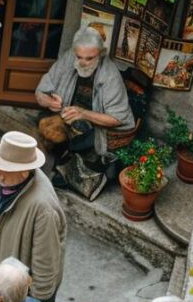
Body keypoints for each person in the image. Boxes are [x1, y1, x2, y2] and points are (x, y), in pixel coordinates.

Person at [35, 25, 135, 200]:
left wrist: (83, 113)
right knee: (44, 123)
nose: (83, 62)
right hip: (67, 116)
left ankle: (68, 171)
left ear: (100, 54)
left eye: (89, 58)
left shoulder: (109, 75)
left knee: (79, 134)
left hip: (96, 126)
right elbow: (40, 92)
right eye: (79, 56)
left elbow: (118, 119)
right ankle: (51, 171)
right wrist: (50, 102)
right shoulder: (68, 59)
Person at [0, 132, 67, 302]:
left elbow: (45, 273)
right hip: (5, 286)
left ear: (24, 170)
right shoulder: (15, 180)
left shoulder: (43, 209)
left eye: (4, 168)